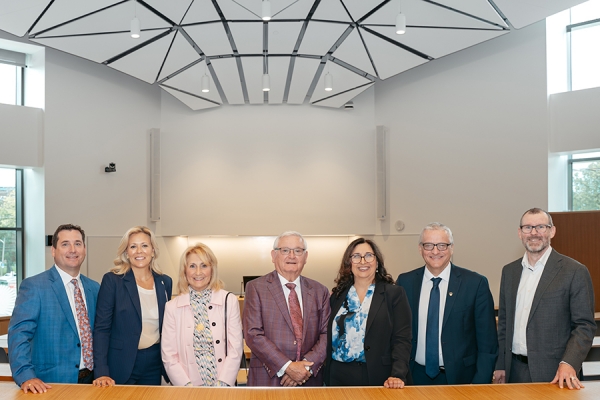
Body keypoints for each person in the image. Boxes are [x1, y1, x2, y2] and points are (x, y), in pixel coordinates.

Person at [494, 208, 596, 389]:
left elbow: (584, 326)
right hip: (514, 372)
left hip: (556, 374)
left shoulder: (574, 271)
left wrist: (569, 363)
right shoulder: (509, 272)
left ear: (552, 231)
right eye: (527, 227)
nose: (534, 233)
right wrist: (501, 365)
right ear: (519, 233)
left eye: (541, 227)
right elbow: (504, 324)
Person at [396, 222, 497, 385]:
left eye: (442, 245)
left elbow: (488, 344)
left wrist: (479, 385)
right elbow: (397, 335)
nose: (435, 251)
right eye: (428, 245)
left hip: (462, 379)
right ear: (420, 249)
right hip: (414, 377)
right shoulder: (404, 282)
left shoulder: (475, 284)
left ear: (452, 248)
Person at [8, 224, 100, 393]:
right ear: (53, 250)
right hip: (49, 384)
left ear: (84, 249)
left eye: (78, 244)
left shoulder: (94, 288)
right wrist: (26, 375)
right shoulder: (34, 286)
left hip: (91, 382)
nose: (72, 249)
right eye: (65, 244)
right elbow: (19, 335)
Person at [243, 231, 330, 387]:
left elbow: (326, 334)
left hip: (308, 379)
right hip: (268, 379)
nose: (292, 256)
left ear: (306, 257)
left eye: (298, 251)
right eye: (285, 250)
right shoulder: (256, 288)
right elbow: (253, 334)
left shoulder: (320, 291)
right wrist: (287, 367)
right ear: (273, 255)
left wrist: (304, 368)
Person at [325, 238, 411, 388]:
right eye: (356, 256)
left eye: (369, 256)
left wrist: (397, 374)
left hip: (379, 375)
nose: (363, 261)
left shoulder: (394, 294)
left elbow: (402, 339)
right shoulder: (337, 296)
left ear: (377, 262)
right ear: (349, 263)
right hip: (337, 375)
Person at [92, 226, 172, 386]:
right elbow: (101, 329)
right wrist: (101, 371)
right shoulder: (113, 281)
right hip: (121, 362)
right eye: (133, 246)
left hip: (154, 362)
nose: (139, 251)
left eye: (144, 245)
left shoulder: (165, 282)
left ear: (153, 250)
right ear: (126, 252)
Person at [161, 243, 243, 386]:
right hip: (187, 387)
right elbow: (169, 355)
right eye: (192, 266)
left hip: (222, 385)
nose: (198, 272)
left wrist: (223, 383)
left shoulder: (229, 300)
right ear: (184, 271)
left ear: (212, 269)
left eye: (204, 265)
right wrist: (186, 386)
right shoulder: (172, 307)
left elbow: (235, 348)